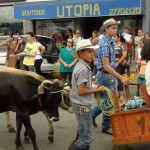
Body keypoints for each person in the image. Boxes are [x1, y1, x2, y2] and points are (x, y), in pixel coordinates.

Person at [91, 18, 129, 135]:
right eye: (113, 28)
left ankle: (92, 115)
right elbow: (107, 66)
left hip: (107, 75)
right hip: (105, 75)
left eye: (116, 28)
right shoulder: (104, 43)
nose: (115, 30)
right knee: (110, 101)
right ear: (106, 29)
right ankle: (105, 126)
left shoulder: (110, 41)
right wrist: (121, 77)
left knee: (108, 101)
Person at [68, 39, 105, 150]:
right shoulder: (83, 68)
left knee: (83, 134)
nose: (92, 54)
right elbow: (81, 91)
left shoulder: (81, 65)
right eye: (89, 52)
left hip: (79, 106)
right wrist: (96, 90)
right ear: (80, 53)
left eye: (92, 51)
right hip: (82, 108)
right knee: (87, 138)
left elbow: (79, 85)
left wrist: (92, 85)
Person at [114, 33, 127, 106]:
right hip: (112, 65)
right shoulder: (112, 44)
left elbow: (125, 55)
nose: (113, 38)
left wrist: (118, 62)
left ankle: (121, 95)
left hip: (119, 65)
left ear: (119, 38)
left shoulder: (122, 45)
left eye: (115, 37)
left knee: (119, 79)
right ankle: (117, 94)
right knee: (114, 79)